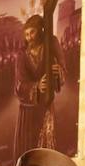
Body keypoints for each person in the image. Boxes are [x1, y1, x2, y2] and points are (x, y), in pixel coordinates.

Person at [14, 15, 64, 157]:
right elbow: (19, 85)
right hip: (28, 111)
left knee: (48, 148)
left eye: (32, 33)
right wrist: (36, 86)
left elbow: (62, 66)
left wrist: (57, 70)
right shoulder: (22, 55)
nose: (29, 37)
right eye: (27, 34)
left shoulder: (50, 44)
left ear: (40, 31)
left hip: (46, 105)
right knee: (29, 152)